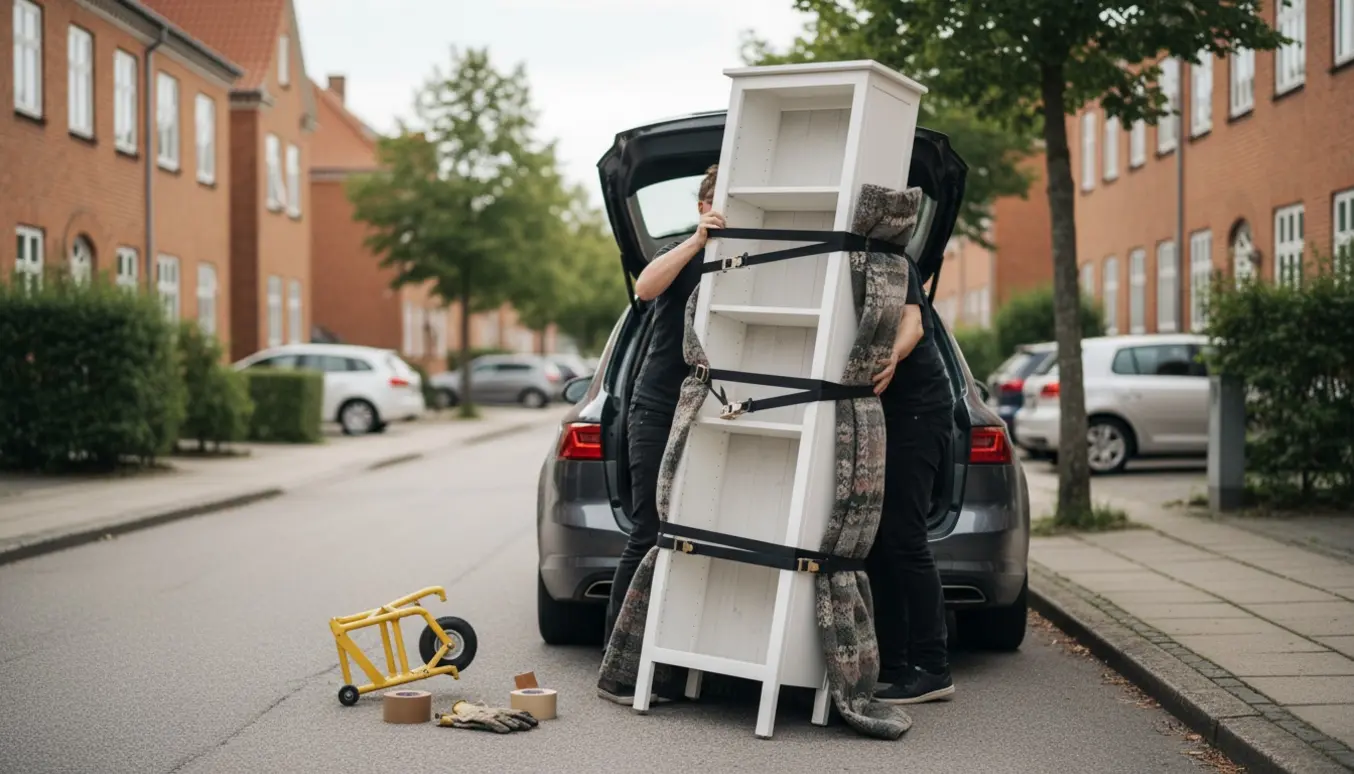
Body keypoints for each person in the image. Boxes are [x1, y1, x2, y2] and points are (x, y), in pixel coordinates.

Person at [598, 165, 724, 705]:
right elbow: (645, 287)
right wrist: (697, 241)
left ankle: (674, 660)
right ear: (703, 207)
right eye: (720, 199)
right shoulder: (684, 250)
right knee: (649, 530)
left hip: (713, 416)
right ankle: (617, 667)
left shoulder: (754, 260)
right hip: (656, 408)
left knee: (697, 538)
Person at [866, 255, 957, 705]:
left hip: (919, 411)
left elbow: (913, 325)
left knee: (905, 539)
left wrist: (892, 356)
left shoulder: (891, 260)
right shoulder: (847, 261)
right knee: (883, 541)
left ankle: (932, 668)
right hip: (891, 415)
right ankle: (895, 664)